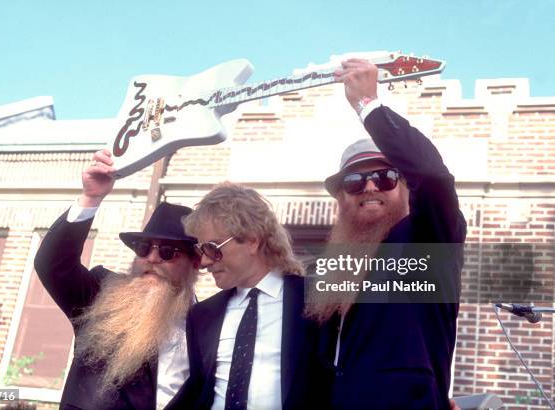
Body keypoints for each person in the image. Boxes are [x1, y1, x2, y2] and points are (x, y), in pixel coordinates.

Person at [305, 59, 467, 409]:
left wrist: (368, 104)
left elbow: (433, 176)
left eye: (384, 178)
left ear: (406, 186)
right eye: (353, 182)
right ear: (340, 197)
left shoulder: (427, 238)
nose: (368, 188)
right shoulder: (331, 266)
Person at [34, 149, 200, 410]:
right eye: (144, 248)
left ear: (196, 262)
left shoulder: (207, 324)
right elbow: (53, 265)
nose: (152, 258)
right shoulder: (102, 293)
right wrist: (90, 198)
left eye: (167, 252)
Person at [174, 183, 319, 410]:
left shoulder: (316, 300)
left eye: (212, 248)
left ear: (252, 240)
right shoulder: (202, 315)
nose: (204, 262)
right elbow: (196, 389)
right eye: (201, 250)